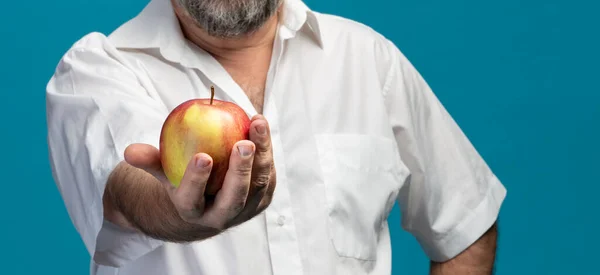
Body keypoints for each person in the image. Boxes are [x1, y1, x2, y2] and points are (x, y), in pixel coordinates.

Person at [45, 0, 507, 274]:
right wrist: (182, 209)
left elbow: (465, 220)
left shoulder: (367, 57)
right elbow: (127, 194)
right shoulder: (98, 71)